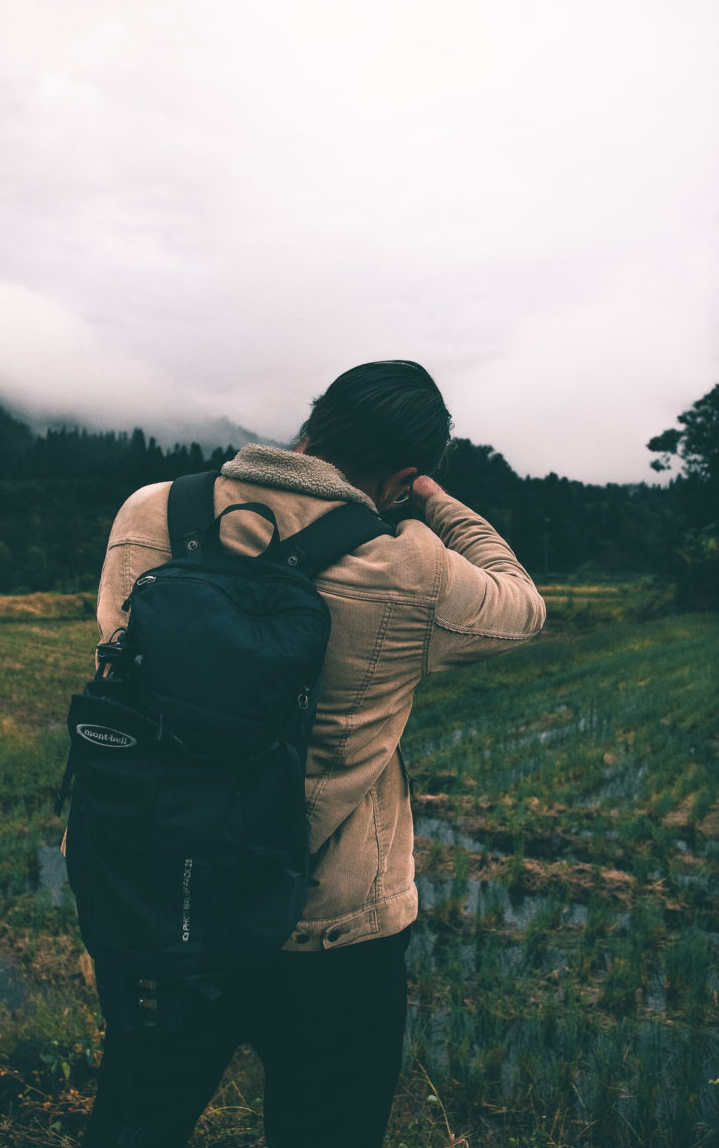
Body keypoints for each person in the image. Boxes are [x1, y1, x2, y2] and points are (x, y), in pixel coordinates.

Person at [83, 360, 546, 1148]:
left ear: (314, 421)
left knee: (136, 1124)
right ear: (401, 476)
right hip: (335, 926)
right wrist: (432, 499)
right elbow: (521, 602)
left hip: (161, 893)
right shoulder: (410, 565)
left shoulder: (151, 510)